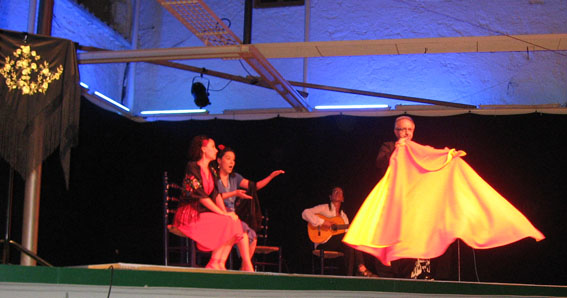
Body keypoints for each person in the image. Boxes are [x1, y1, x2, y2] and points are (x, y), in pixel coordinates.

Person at [344, 115, 544, 279]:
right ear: (395, 131)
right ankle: (387, 277)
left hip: (413, 206)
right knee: (387, 238)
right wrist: (398, 149)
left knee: (413, 242)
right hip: (392, 203)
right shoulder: (390, 146)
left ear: (413, 132)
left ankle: (411, 276)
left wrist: (449, 156)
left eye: (408, 130)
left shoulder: (420, 150)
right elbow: (380, 163)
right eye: (401, 129)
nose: (405, 133)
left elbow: (434, 157)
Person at [169, 135, 254, 271]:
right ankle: (214, 262)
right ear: (203, 149)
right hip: (191, 213)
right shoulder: (192, 167)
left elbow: (216, 195)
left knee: (233, 221)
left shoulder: (212, 170)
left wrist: (226, 213)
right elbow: (201, 196)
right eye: (213, 147)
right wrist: (222, 213)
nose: (215, 150)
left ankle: (219, 262)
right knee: (226, 221)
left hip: (204, 212)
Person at [214, 144, 285, 260]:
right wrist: (234, 193)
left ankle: (244, 266)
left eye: (233, 160)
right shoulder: (213, 177)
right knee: (241, 230)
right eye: (228, 159)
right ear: (219, 160)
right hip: (218, 212)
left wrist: (271, 177)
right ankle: (243, 265)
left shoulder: (235, 177)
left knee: (252, 235)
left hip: (232, 215)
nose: (232, 162)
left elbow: (254, 186)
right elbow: (213, 197)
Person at [302, 187, 375, 277]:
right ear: (330, 197)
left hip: (337, 245)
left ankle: (352, 275)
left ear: (343, 198)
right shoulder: (324, 208)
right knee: (349, 238)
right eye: (335, 191)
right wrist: (323, 222)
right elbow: (305, 213)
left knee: (351, 240)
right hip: (323, 243)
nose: (338, 193)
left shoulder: (344, 216)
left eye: (340, 192)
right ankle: (360, 269)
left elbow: (348, 233)